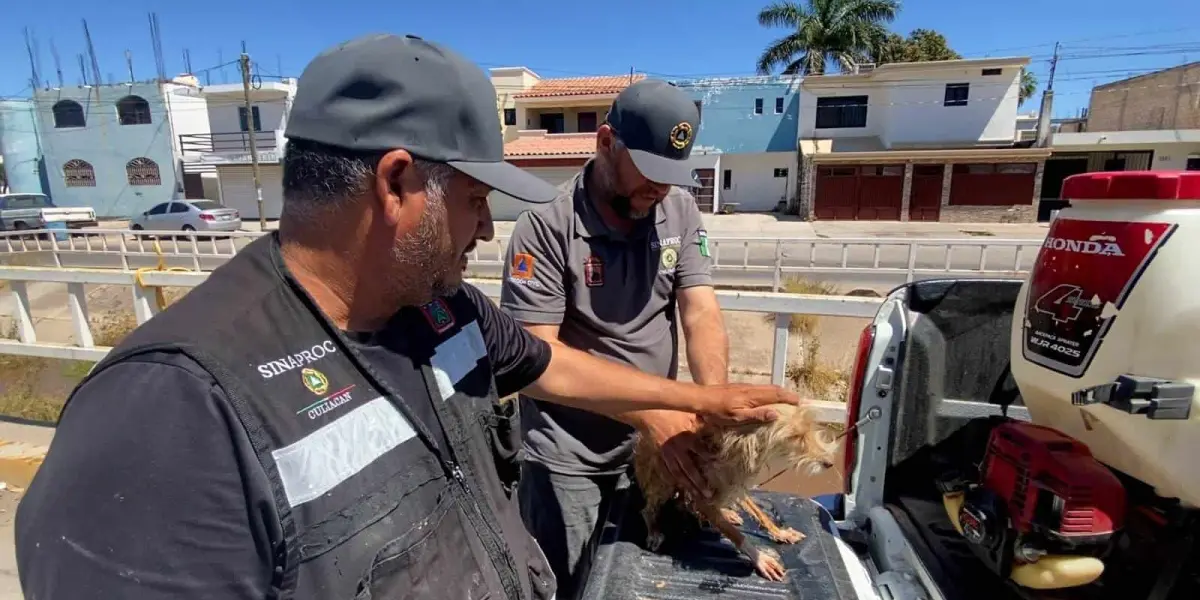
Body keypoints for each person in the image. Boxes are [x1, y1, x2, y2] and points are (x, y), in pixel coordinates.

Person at [13, 35, 796, 600]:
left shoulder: (440, 311)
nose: (486, 230)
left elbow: (549, 363)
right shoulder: (170, 417)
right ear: (396, 186)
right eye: (475, 200)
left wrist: (699, 402)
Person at [500, 78, 729, 597]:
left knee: (638, 583)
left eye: (673, 175)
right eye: (650, 171)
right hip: (568, 461)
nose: (661, 189)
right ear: (606, 143)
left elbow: (700, 310)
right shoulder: (545, 228)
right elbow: (536, 360)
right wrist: (654, 413)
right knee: (568, 586)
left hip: (653, 450)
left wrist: (711, 403)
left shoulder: (679, 211)